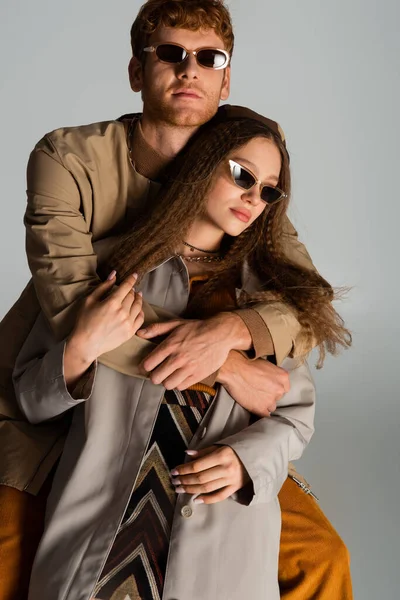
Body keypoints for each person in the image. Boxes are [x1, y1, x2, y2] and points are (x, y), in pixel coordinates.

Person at [0, 1, 352, 598]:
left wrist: (235, 333)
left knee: (322, 558)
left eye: (209, 58)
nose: (190, 70)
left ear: (226, 77)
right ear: (138, 71)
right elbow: (72, 304)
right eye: (170, 54)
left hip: (191, 427)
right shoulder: (70, 159)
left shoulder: (244, 173)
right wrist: (224, 365)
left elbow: (304, 306)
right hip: (66, 389)